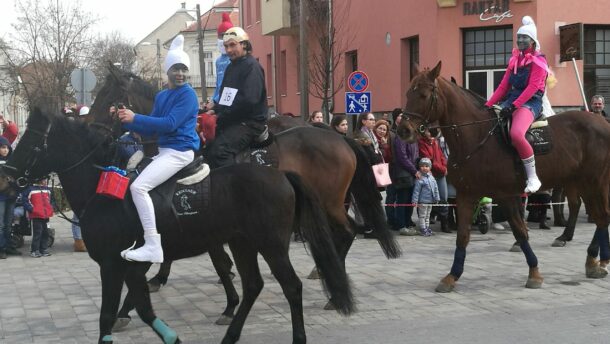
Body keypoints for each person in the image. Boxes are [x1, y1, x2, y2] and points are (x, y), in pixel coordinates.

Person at [117, 34, 200, 263]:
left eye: (184, 69)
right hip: (165, 152)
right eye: (176, 68)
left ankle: (153, 245)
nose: (180, 73)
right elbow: (149, 127)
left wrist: (136, 117)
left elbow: (169, 124)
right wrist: (124, 119)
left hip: (179, 152)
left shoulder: (188, 95)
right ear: (168, 70)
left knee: (139, 188)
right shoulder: (163, 95)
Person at [485, 16, 549, 194]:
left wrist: (514, 106)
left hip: (531, 102)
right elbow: (503, 86)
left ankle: (533, 177)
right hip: (511, 100)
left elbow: (533, 87)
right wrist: (487, 105)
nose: (520, 40)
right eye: (518, 37)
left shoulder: (539, 61)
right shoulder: (514, 60)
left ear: (532, 40)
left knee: (516, 134)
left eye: (524, 37)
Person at [211, 27, 268, 168]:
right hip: (232, 120)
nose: (228, 50)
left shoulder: (252, 67)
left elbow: (249, 100)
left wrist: (221, 115)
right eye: (226, 46)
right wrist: (214, 110)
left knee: (220, 151)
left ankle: (233, 188)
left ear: (244, 44)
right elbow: (226, 98)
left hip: (249, 124)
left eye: (232, 45)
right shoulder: (231, 68)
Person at [418, 128, 450, 233]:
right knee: (425, 199)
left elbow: (441, 156)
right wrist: (442, 168)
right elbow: (429, 161)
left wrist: (445, 166)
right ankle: (424, 225)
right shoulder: (422, 143)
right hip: (429, 175)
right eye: (428, 131)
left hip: (440, 175)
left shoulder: (435, 142)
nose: (430, 133)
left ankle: (444, 224)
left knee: (444, 198)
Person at [206, 12, 234, 112]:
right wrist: (213, 99)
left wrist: (216, 101)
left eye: (226, 35)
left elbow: (230, 85)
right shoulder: (218, 61)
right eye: (221, 36)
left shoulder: (234, 59)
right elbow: (218, 85)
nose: (223, 39)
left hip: (229, 104)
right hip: (218, 102)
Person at [22, 179, 54, 258]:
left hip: (45, 215)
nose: (45, 181)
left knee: (45, 232)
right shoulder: (31, 189)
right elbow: (25, 200)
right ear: (39, 180)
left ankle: (43, 249)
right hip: (36, 215)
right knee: (37, 233)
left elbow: (51, 200)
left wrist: (51, 208)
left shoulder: (47, 189)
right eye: (44, 180)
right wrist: (31, 209)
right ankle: (34, 250)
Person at [0, 136, 19, 258]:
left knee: (8, 223)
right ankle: (1, 248)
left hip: (11, 197)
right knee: (1, 224)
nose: (5, 150)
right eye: (2, 147)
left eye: (6, 147)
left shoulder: (12, 161)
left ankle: (8, 246)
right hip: (0, 198)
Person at [411, 158, 440, 237]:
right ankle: (422, 228)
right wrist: (415, 201)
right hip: (422, 201)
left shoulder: (432, 178)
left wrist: (437, 198)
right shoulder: (419, 179)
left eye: (427, 166)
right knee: (422, 215)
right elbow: (416, 191)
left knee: (428, 215)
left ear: (430, 167)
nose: (424, 168)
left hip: (430, 201)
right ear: (420, 167)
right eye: (422, 166)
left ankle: (427, 227)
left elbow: (435, 188)